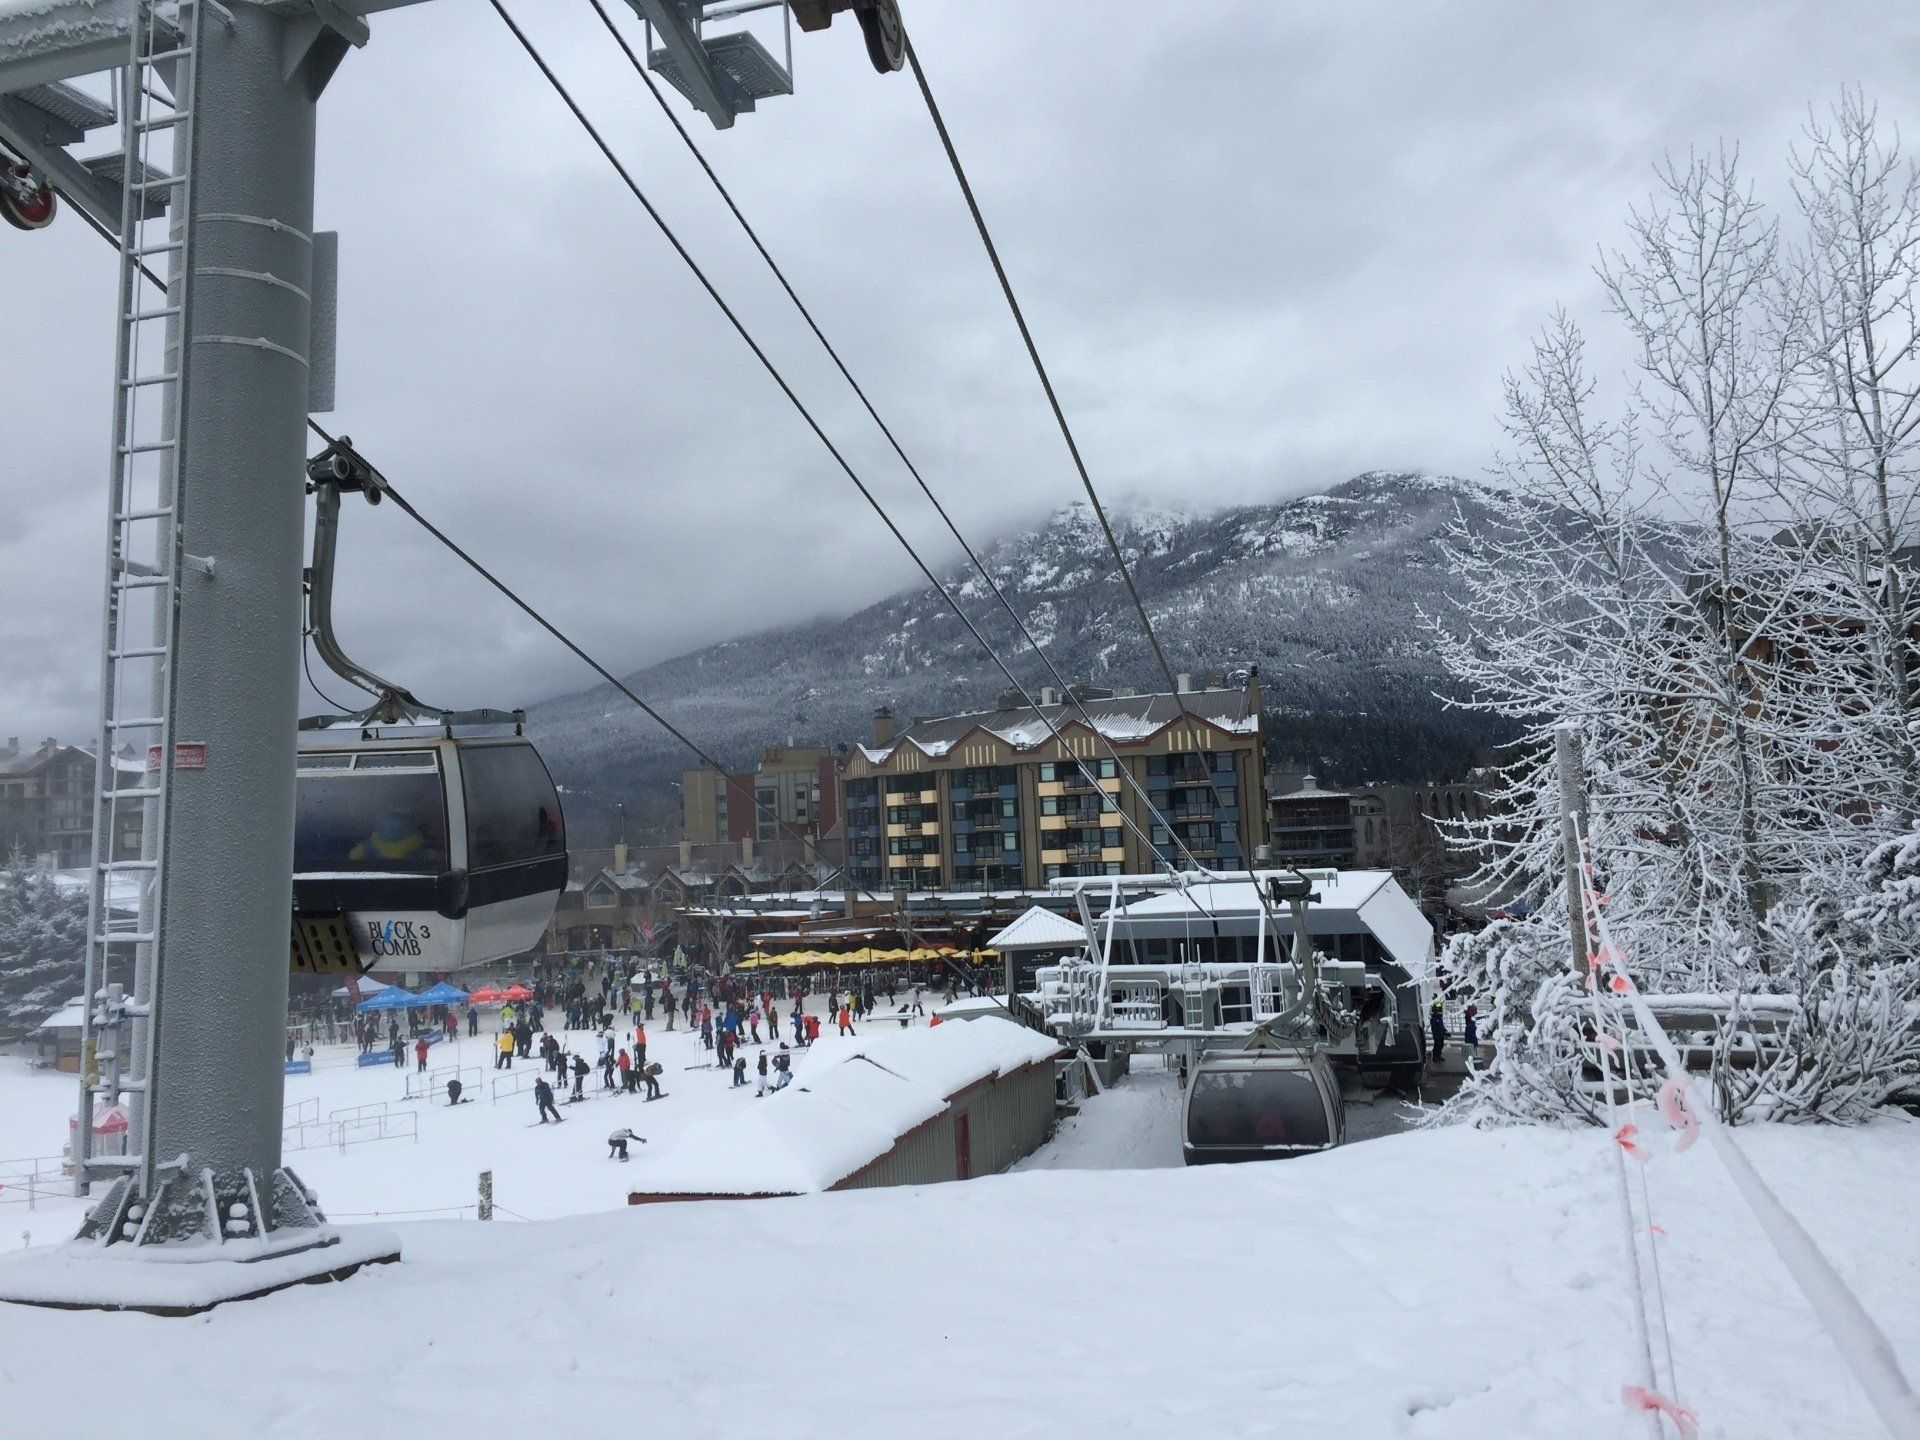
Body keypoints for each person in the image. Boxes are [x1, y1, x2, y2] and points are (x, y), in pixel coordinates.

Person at [1429, 999, 1447, 1063]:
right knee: (1437, 1046)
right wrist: (1436, 1034)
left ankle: (1439, 1056)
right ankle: (1435, 1057)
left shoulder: (1439, 1018)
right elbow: (1434, 1028)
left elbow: (1441, 1026)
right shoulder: (1433, 1019)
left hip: (1441, 1034)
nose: (1438, 1011)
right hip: (1437, 1035)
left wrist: (1445, 1032)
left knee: (1441, 1045)